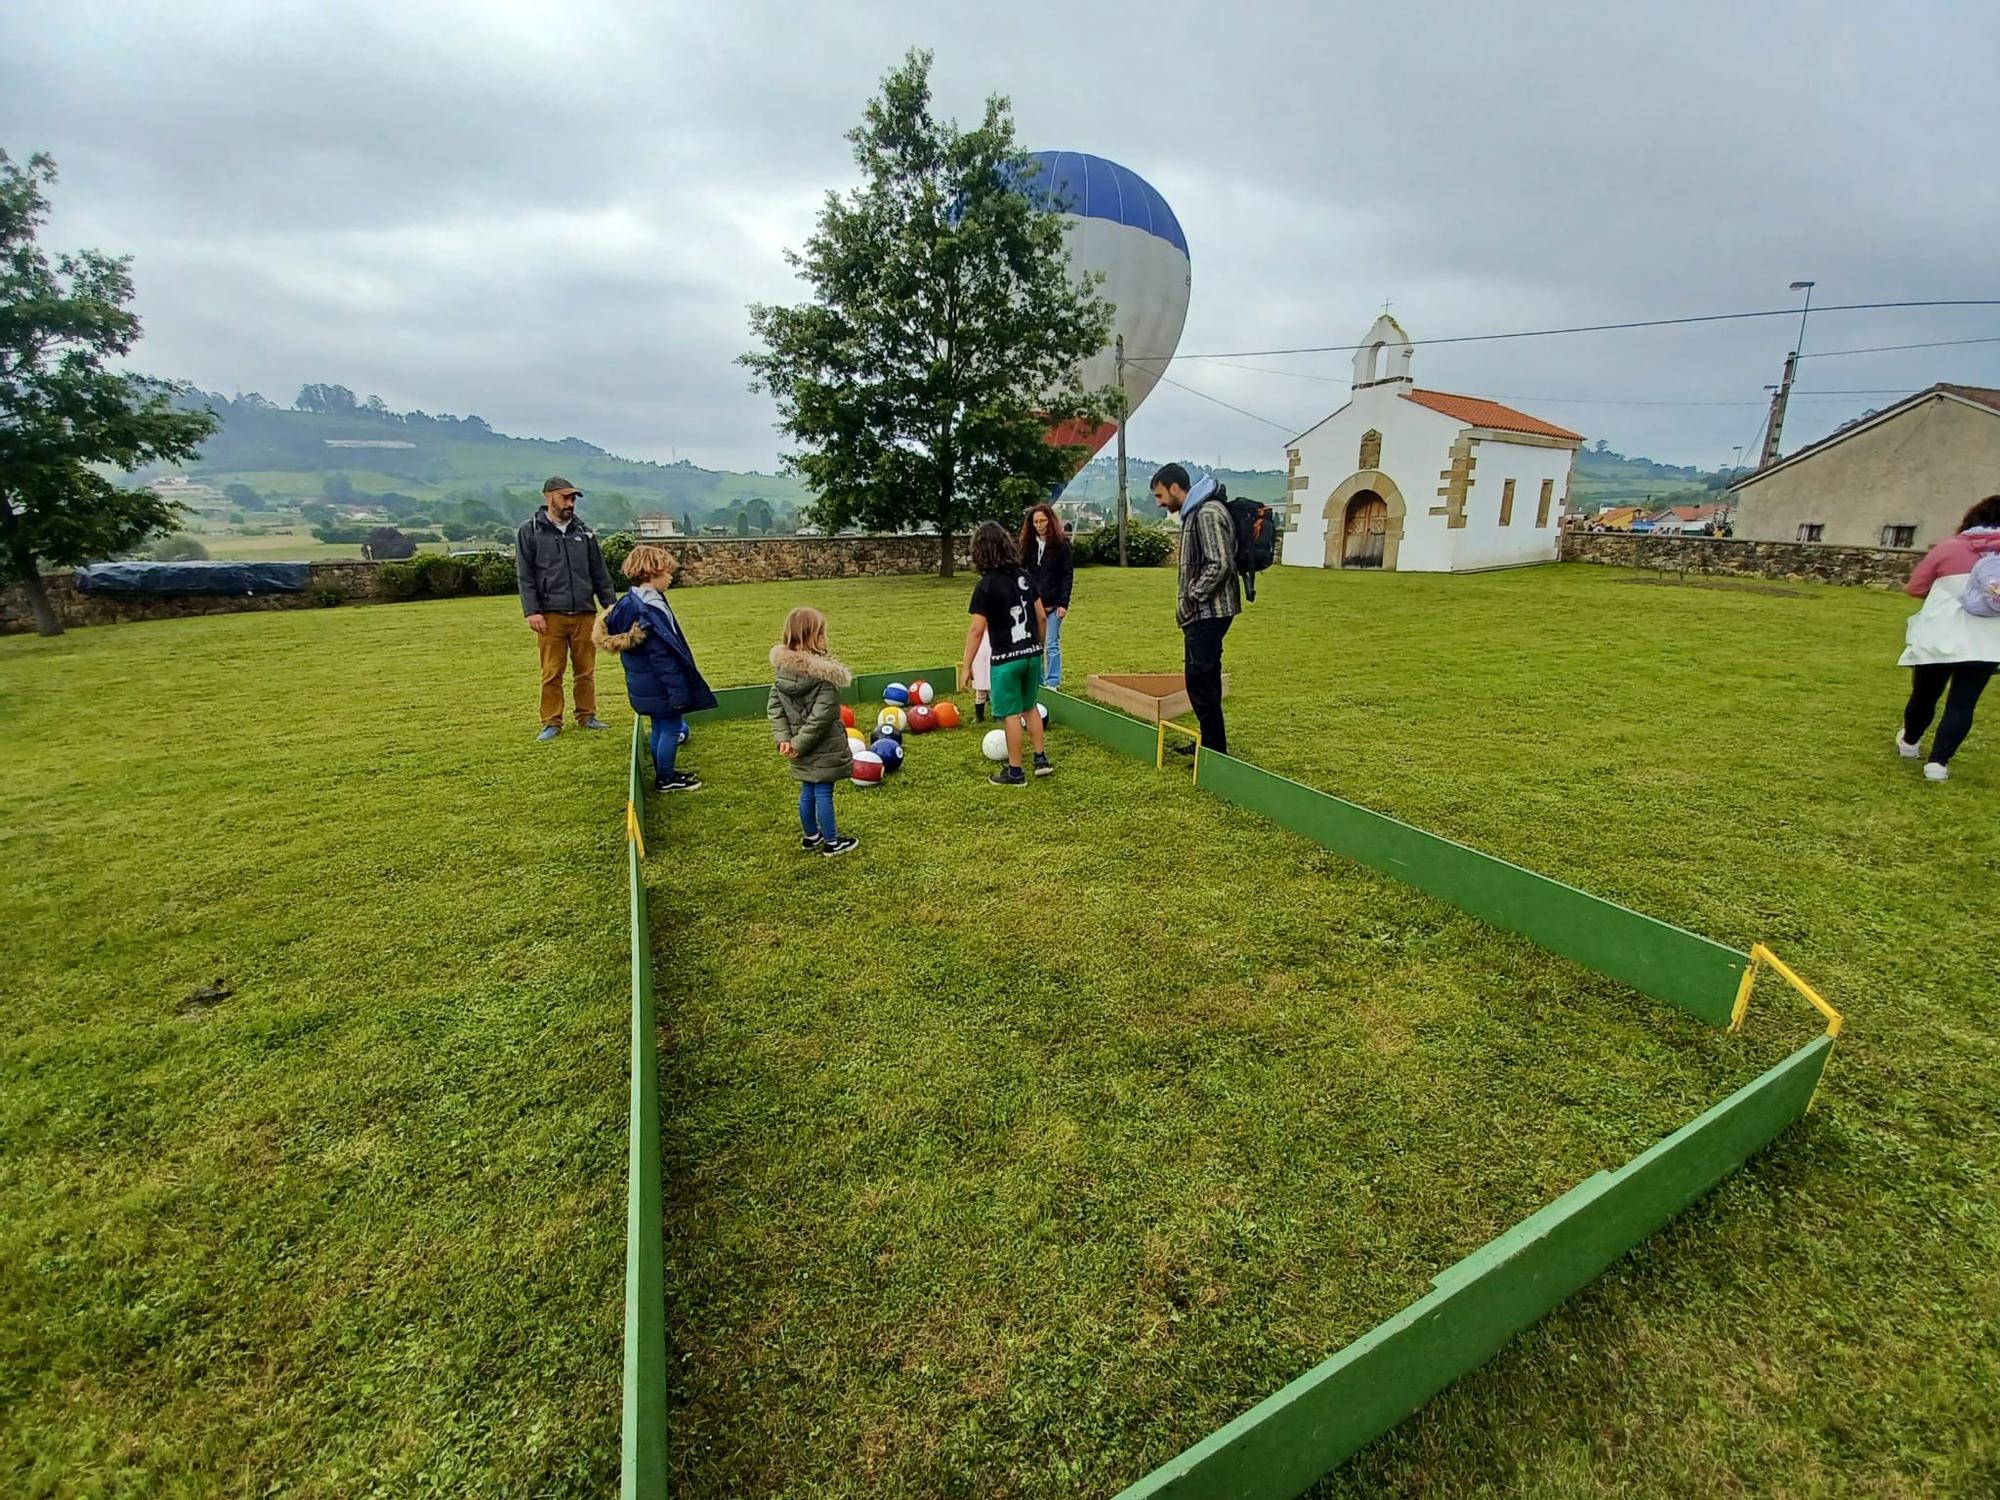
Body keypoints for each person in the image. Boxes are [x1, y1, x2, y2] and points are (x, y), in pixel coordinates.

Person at [595, 545, 717, 792]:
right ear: (653, 571)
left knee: (660, 725)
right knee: (671, 726)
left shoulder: (634, 602)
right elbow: (662, 657)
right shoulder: (646, 609)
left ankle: (664, 771)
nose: (671, 577)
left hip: (646, 685)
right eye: (668, 572)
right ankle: (666, 778)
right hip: (659, 684)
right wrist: (678, 692)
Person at [1896, 494, 2000, 782]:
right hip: (1987, 640)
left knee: (1924, 694)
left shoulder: (1950, 548)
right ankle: (1938, 764)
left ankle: (1910, 742)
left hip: (1941, 634)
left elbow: (1916, 587)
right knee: (1963, 703)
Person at [516, 476, 618, 741]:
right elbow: (525, 576)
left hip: (584, 612)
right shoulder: (530, 531)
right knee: (552, 671)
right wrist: (532, 611)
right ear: (548, 497)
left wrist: (610, 605)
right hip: (550, 615)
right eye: (565, 498)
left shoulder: (584, 532)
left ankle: (588, 716)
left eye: (573, 499)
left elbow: (599, 573)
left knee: (585, 670)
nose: (570, 503)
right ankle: (551, 721)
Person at [1150, 463, 1241, 757]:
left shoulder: (1207, 513)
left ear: (1175, 488)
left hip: (1210, 613)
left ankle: (1214, 752)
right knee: (1205, 680)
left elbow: (1220, 563)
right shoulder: (1195, 512)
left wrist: (1193, 595)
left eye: (1160, 494)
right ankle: (1209, 741)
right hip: (1202, 614)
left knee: (1200, 682)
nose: (1160, 502)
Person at [961, 521, 1051, 785]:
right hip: (1031, 653)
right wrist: (1039, 649)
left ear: (980, 552)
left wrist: (967, 666)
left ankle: (1015, 771)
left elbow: (977, 630)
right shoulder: (1024, 577)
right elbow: (1042, 617)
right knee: (1030, 706)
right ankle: (1040, 758)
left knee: (1010, 714)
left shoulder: (985, 586)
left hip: (1005, 661)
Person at [767, 606, 859, 856]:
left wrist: (785, 738)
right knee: (822, 791)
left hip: (799, 747)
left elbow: (774, 707)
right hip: (822, 746)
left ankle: (811, 836)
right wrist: (797, 742)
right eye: (822, 634)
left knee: (807, 789)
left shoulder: (782, 672)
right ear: (815, 638)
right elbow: (822, 717)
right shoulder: (825, 677)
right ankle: (831, 842)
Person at [1018, 502, 1075, 687]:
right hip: (1034, 605)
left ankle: (1053, 683)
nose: (1039, 525)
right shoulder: (1028, 546)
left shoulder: (1062, 544)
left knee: (1051, 644)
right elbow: (1023, 572)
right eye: (1036, 522)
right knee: (1036, 646)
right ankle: (1039, 682)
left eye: (1043, 521)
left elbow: (1067, 574)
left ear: (1050, 521)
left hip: (1054, 605)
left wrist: (1063, 603)